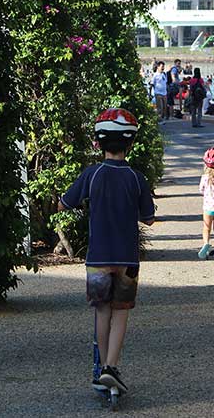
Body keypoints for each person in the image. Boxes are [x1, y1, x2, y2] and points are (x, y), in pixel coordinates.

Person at [58, 108, 155, 394]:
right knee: (121, 311)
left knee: (102, 312)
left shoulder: (92, 174)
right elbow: (148, 217)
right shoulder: (137, 178)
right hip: (127, 256)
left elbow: (65, 202)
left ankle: (101, 369)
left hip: (98, 255)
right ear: (130, 143)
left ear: (98, 142)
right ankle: (112, 366)